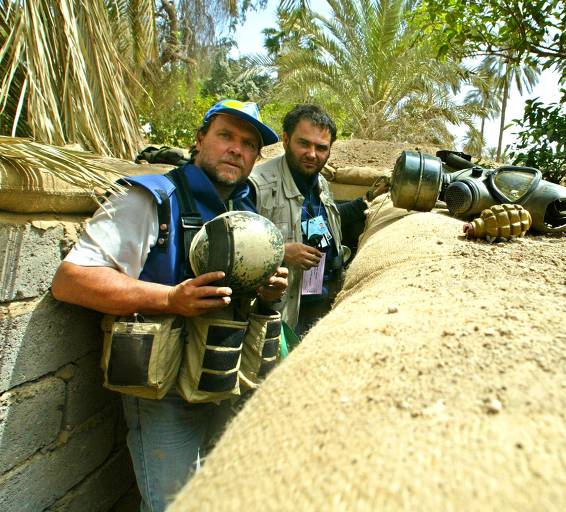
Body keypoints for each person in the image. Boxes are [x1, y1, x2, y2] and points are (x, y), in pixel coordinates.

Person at [50, 99, 288, 511]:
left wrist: (265, 290)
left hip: (222, 379)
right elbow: (71, 280)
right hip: (163, 393)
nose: (236, 149)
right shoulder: (151, 199)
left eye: (249, 144)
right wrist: (169, 299)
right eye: (226, 136)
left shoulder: (245, 209)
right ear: (200, 141)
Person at [250, 104, 388, 337]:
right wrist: (280, 251)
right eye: (304, 143)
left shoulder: (319, 182)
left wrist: (365, 201)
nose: (312, 154)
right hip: (281, 310)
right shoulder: (257, 185)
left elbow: (323, 222)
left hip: (319, 297)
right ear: (285, 140)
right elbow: (234, 248)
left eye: (321, 147)